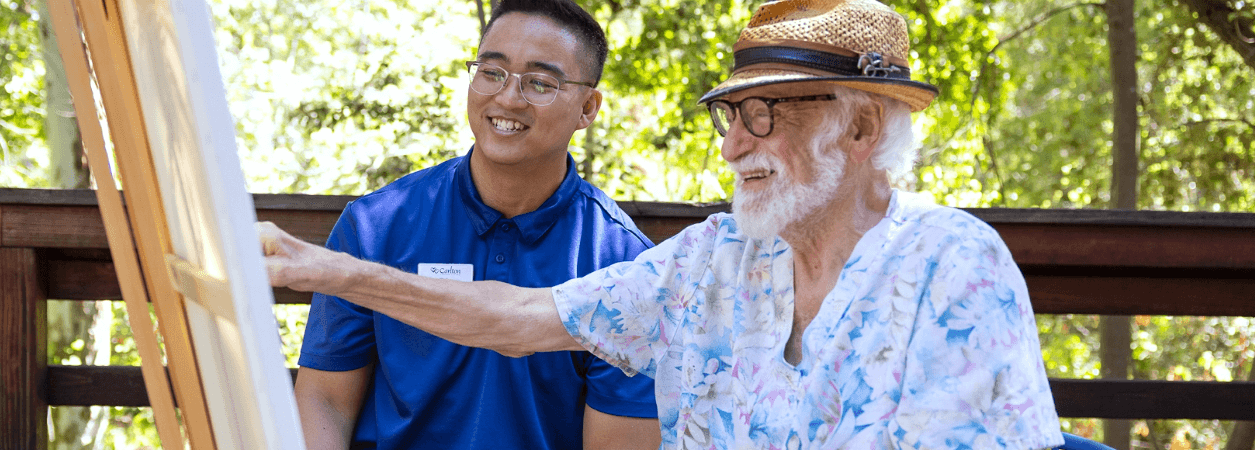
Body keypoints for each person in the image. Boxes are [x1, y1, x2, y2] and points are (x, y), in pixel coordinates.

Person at [264, 0, 1065, 448]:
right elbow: (517, 318)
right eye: (728, 115)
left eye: (762, 114)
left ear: (859, 132)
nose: (731, 143)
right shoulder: (715, 260)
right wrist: (327, 270)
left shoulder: (951, 262)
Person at [290, 0, 660, 448]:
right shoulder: (376, 226)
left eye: (540, 83)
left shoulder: (622, 263)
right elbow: (325, 400)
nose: (507, 98)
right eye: (491, 72)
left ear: (588, 108)